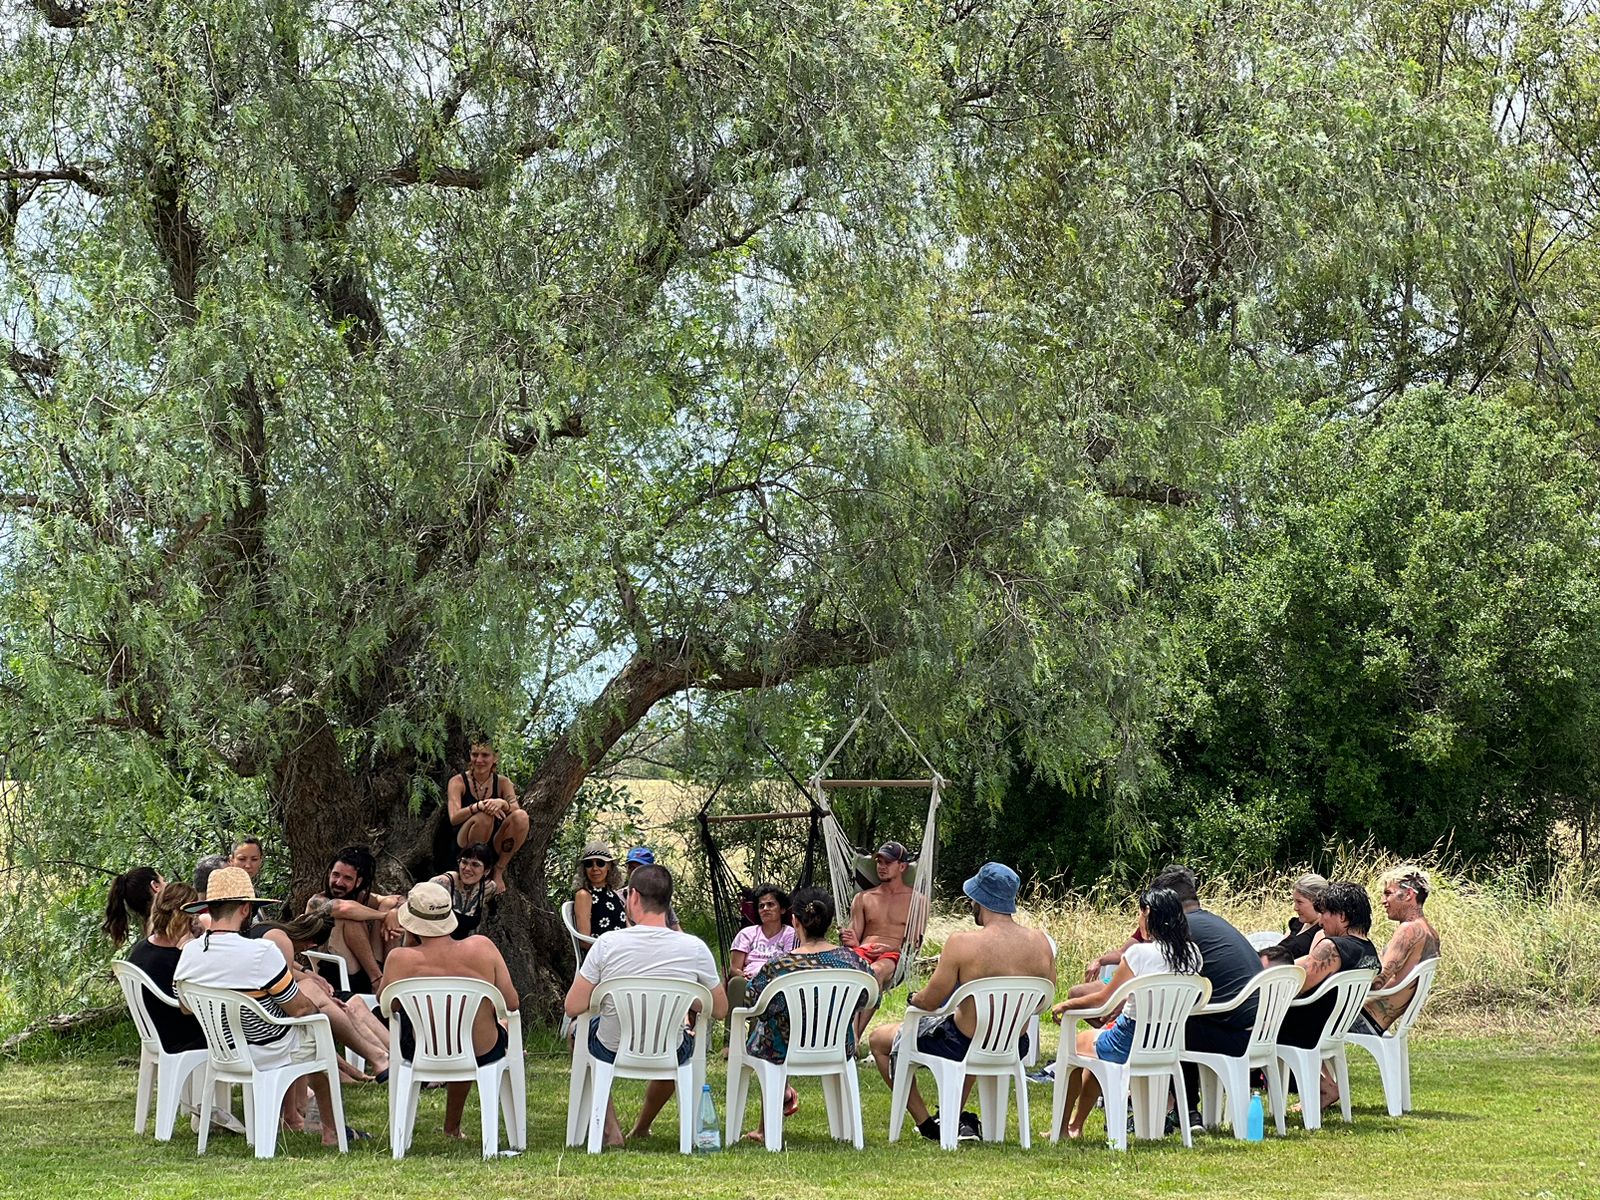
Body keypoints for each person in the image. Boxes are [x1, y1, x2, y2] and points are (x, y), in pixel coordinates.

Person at [174, 867, 363, 1147]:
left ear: (209, 909)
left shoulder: (190, 952)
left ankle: (294, 1118)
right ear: (246, 909)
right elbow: (298, 1010)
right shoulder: (261, 952)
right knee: (316, 1039)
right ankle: (332, 1132)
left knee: (306, 1033)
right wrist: (317, 1013)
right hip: (265, 1048)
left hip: (223, 1048)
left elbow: (186, 1008)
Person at [869, 861, 1054, 1143]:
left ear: (980, 900)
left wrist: (913, 998)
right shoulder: (1041, 943)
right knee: (970, 1031)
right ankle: (950, 1116)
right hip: (1014, 1044)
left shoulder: (962, 943)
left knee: (879, 1040)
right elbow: (1044, 999)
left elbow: (930, 1002)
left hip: (961, 1044)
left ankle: (928, 1124)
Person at [564, 863, 725, 1147]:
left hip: (610, 1047)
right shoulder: (695, 948)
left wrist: (603, 995)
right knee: (682, 1042)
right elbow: (720, 1009)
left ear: (633, 897)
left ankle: (610, 1129)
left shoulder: (606, 944)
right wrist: (691, 1000)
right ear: (668, 900)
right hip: (669, 1048)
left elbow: (573, 1006)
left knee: (577, 1031)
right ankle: (641, 1126)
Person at [1049, 887, 1203, 1139]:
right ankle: (1075, 1125)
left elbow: (1104, 998)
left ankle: (1062, 1128)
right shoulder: (1192, 954)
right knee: (1096, 1052)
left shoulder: (1139, 953)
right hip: (1166, 1044)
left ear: (1149, 913)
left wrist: (1065, 1005)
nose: (1138, 920)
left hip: (1129, 1041)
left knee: (1076, 1045)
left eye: (1140, 914)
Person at [381, 881, 521, 1142]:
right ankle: (451, 1127)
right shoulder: (482, 947)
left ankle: (448, 1128)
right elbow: (512, 1002)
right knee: (483, 1024)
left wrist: (408, 944)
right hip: (481, 1049)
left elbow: (388, 1005)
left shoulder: (399, 959)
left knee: (453, 1031)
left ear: (411, 923)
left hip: (423, 1049)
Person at [737, 886, 871, 1139]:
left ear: (795, 920)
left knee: (769, 1032)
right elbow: (868, 996)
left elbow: (753, 1001)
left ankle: (768, 1125)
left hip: (782, 1048)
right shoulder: (854, 962)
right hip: (838, 1046)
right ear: (830, 921)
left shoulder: (779, 966)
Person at [1149, 864, 1260, 1131]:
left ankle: (1185, 1112)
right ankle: (1178, 1107)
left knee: (1169, 1030)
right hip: (1259, 1030)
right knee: (1182, 1023)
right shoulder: (1214, 922)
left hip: (1234, 1033)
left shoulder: (1185, 931)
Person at [250, 911, 391, 1082]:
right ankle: (377, 1058)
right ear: (309, 945)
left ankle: (384, 1056)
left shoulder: (264, 929)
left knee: (348, 1001)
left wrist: (307, 972)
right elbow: (284, 987)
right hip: (266, 1010)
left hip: (253, 1002)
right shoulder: (282, 941)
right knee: (320, 1003)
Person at [1279, 880, 1381, 1108]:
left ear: (1342, 916)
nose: (1321, 919)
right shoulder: (1368, 950)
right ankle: (1325, 1086)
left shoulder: (1334, 947)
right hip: (1329, 1025)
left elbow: (1297, 982)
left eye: (1324, 912)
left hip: (1303, 1028)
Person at [304, 845, 401, 998]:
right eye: (335, 875)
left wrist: (392, 912)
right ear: (329, 873)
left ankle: (392, 977)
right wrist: (383, 916)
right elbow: (342, 908)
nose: (338, 882)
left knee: (389, 905)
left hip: (367, 966)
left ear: (358, 881)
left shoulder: (362, 897)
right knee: (350, 919)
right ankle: (378, 980)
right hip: (335, 970)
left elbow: (398, 899)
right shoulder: (317, 901)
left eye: (347, 878)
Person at [1364, 866, 1441, 1032]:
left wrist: (1342, 985)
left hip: (1367, 1018)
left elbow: (1378, 981)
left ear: (1408, 895)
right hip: (1381, 1019)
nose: (1383, 901)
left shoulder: (1408, 930)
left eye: (1388, 893)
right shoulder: (1431, 932)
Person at [446, 737, 528, 890]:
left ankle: (498, 871)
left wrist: (502, 803)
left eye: (485, 755)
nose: (479, 760)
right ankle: (471, 869)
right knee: (484, 817)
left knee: (521, 817)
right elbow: (454, 818)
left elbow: (516, 810)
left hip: (494, 843)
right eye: (475, 754)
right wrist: (479, 806)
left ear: (495, 757)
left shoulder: (503, 782)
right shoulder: (458, 781)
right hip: (465, 841)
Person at [842, 841, 917, 999]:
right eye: (879, 862)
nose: (882, 867)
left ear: (902, 866)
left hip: (893, 955)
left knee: (874, 972)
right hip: (863, 950)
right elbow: (854, 935)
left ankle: (856, 1025)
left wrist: (892, 948)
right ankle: (848, 1023)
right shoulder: (862, 898)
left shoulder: (917, 901)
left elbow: (914, 943)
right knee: (841, 971)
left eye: (888, 863)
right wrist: (850, 939)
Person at [725, 883, 797, 1010]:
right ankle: (731, 1029)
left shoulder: (790, 934)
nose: (765, 909)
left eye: (770, 904)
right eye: (761, 906)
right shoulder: (746, 934)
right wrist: (742, 975)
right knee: (736, 983)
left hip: (776, 982)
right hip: (748, 982)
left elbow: (789, 965)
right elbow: (734, 968)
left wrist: (763, 978)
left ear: (782, 909)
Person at [430, 842, 502, 940]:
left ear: (486, 871)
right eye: (464, 862)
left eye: (475, 865)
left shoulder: (488, 888)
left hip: (459, 947)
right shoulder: (442, 883)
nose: (467, 868)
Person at [572, 841, 627, 938]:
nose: (594, 868)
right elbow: (584, 940)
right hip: (601, 951)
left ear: (609, 866)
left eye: (600, 863)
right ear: (584, 869)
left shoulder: (612, 894)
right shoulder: (584, 895)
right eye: (589, 864)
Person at [1271, 873, 1329, 960]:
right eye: (1294, 902)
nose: (1295, 908)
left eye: (1299, 902)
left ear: (1318, 902)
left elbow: (1310, 962)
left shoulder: (1322, 931)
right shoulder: (1297, 923)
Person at [103, 866, 164, 947]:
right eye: (164, 881)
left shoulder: (145, 947)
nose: (168, 884)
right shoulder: (178, 932)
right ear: (155, 886)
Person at [623, 846, 680, 930]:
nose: (634, 872)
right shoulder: (617, 897)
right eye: (631, 867)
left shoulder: (658, 898)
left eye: (640, 868)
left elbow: (675, 928)